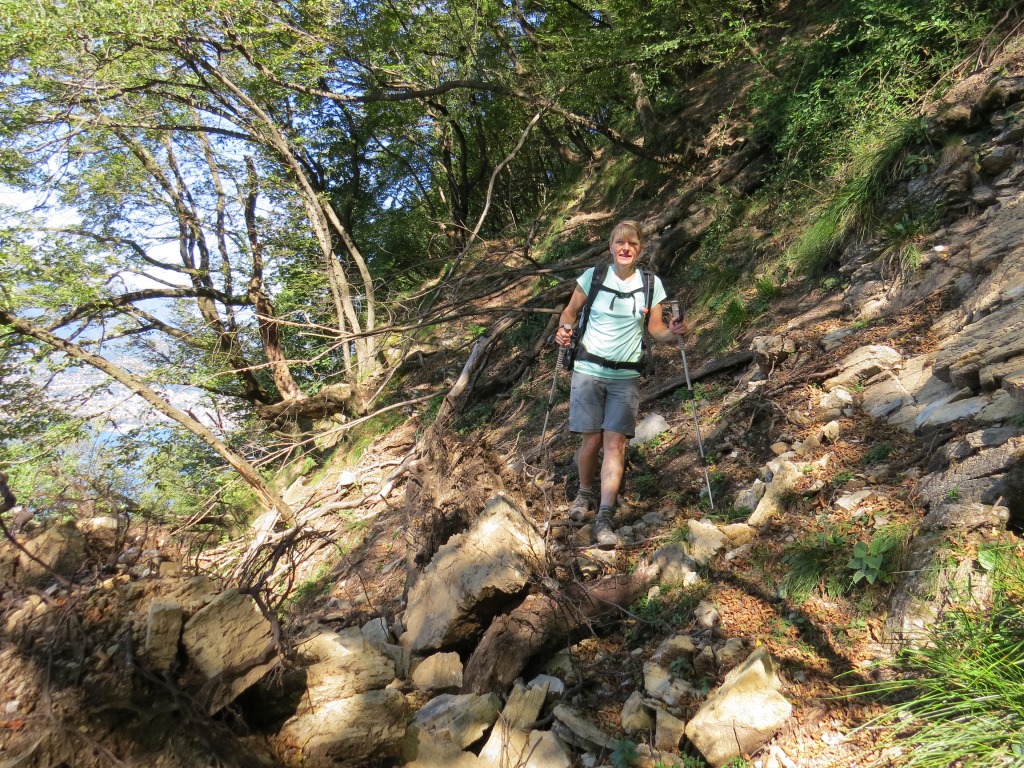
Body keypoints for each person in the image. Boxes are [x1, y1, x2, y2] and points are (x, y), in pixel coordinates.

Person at [554, 220, 687, 547]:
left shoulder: (650, 284)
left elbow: (656, 329)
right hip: (588, 370)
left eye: (632, 244)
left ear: (640, 249)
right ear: (611, 247)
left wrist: (674, 334)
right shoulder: (594, 276)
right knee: (591, 441)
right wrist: (564, 330)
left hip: (625, 377)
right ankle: (584, 493)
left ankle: (604, 515)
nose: (626, 248)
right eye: (620, 243)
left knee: (615, 444)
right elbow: (570, 312)